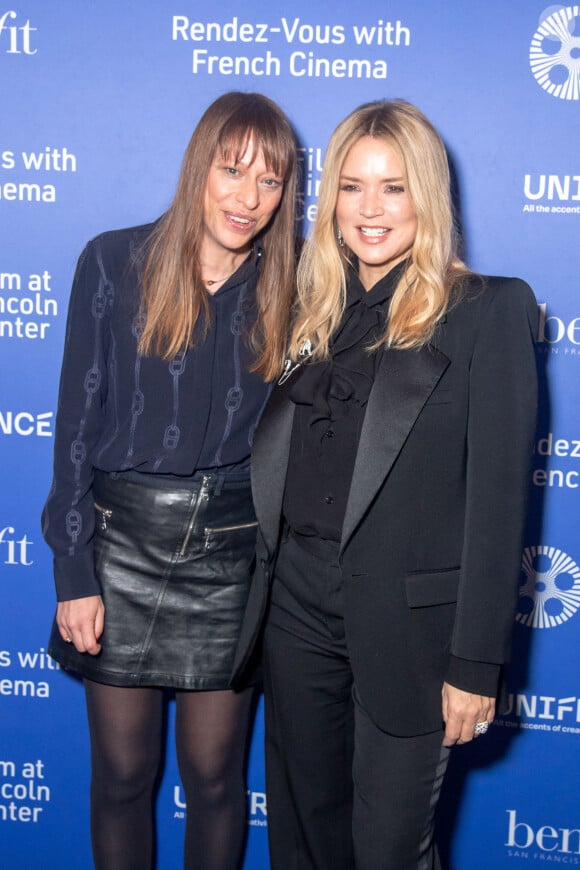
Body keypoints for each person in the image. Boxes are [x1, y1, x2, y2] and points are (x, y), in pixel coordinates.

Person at [231, 99, 538, 869]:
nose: (371, 209)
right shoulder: (314, 307)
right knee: (304, 840)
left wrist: (475, 667)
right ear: (329, 196)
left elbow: (501, 504)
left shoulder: (486, 311)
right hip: (295, 610)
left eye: (395, 187)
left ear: (427, 197)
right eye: (353, 186)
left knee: (388, 851)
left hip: (413, 632)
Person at [42, 91, 298, 870]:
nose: (248, 198)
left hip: (231, 555)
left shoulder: (296, 286)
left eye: (269, 181)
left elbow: (397, 297)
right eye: (232, 170)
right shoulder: (114, 260)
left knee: (217, 778)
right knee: (122, 776)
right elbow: (76, 427)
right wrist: (73, 570)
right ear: (200, 168)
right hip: (120, 548)